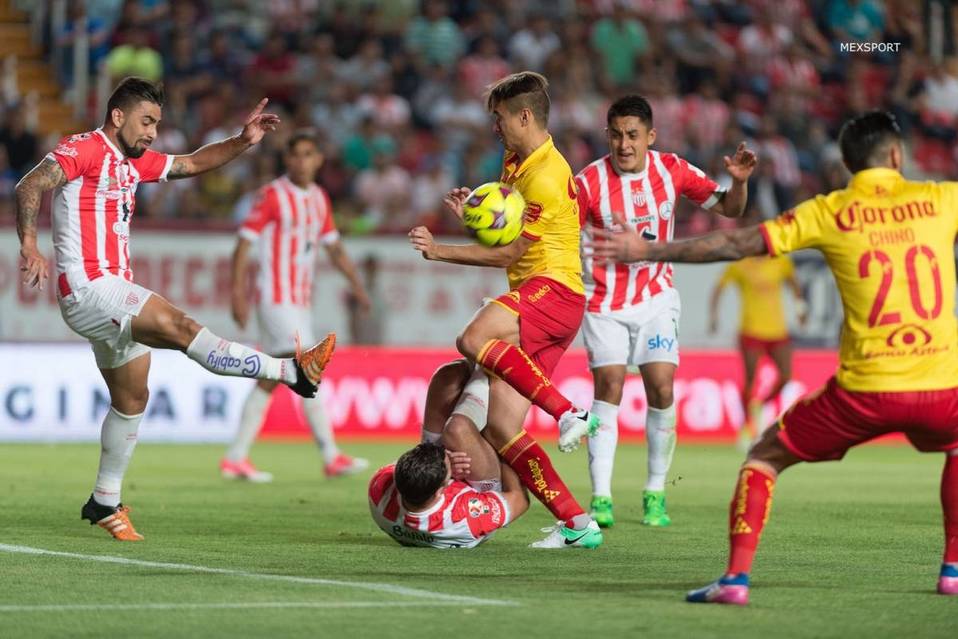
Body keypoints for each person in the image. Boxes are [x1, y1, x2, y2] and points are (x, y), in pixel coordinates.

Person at [590, 111, 958, 603]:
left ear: (848, 165)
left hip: (864, 391)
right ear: (896, 155)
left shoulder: (829, 211)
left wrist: (649, 250)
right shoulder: (943, 199)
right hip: (942, 386)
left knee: (763, 458)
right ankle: (952, 571)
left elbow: (734, 242)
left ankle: (735, 580)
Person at [15, 77, 334, 542]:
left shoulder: (135, 162)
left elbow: (192, 163)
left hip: (111, 292)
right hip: (89, 286)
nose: (152, 133)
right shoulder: (84, 148)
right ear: (118, 116)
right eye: (146, 122)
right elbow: (31, 184)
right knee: (180, 326)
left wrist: (243, 141)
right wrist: (29, 243)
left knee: (131, 400)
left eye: (156, 124)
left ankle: (104, 500)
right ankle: (291, 372)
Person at [408, 71, 602, 548]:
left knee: (472, 338)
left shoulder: (547, 175)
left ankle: (568, 412)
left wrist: (440, 250)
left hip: (554, 291)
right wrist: (474, 217)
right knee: (501, 428)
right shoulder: (516, 160)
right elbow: (505, 233)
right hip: (541, 296)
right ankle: (578, 523)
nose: (494, 127)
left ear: (525, 116)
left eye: (499, 118)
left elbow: (509, 254)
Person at [574, 95, 755, 528]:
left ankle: (655, 491)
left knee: (660, 387)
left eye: (632, 135)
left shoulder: (672, 170)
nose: (624, 144)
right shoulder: (587, 183)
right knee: (609, 385)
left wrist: (739, 183)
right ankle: (601, 497)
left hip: (655, 299)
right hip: (603, 301)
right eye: (616, 135)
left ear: (650, 136)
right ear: (607, 135)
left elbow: (730, 209)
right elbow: (557, 235)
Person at [225, 131, 371, 482]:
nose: (301, 161)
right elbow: (243, 244)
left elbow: (334, 247)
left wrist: (357, 285)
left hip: (300, 300)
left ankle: (236, 458)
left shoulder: (319, 198)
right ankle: (331, 455)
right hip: (275, 297)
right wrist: (238, 293)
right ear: (287, 159)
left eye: (308, 154)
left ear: (319, 159)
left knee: (272, 378)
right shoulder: (272, 195)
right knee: (307, 368)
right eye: (295, 155)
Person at [369, 361, 529, 548]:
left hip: (430, 491)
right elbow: (519, 498)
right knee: (457, 429)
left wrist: (447, 467)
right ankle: (487, 364)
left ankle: (479, 363)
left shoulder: (381, 488)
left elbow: (413, 470)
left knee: (447, 376)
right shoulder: (466, 517)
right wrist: (504, 440)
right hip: (482, 494)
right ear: (442, 489)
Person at [710, 235, 808, 450]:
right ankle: (747, 427)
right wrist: (714, 316)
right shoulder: (741, 264)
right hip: (751, 330)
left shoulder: (780, 261)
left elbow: (794, 284)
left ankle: (760, 406)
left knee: (786, 376)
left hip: (778, 331)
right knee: (750, 380)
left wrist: (800, 309)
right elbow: (719, 288)